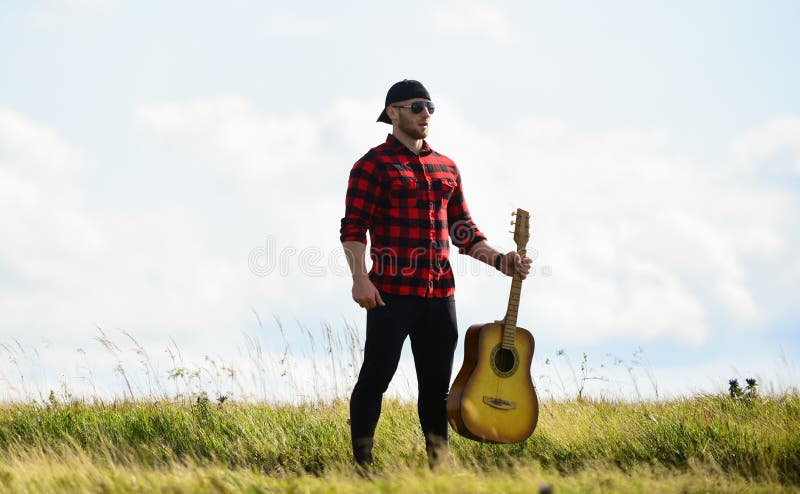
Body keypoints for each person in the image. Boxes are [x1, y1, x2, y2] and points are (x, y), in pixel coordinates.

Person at [339, 79, 531, 467]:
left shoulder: (446, 166)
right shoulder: (372, 165)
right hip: (390, 293)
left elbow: (463, 230)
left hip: (440, 295)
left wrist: (501, 260)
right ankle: (362, 467)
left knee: (437, 390)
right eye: (416, 107)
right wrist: (360, 278)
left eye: (430, 107)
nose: (425, 114)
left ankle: (438, 468)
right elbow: (353, 227)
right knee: (375, 380)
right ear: (392, 113)